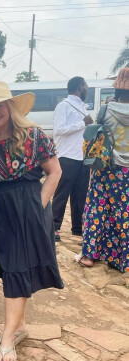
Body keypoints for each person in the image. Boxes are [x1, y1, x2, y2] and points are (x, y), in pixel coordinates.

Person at [0, 81, 63, 361]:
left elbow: (55, 172)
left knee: (18, 267)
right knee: (12, 268)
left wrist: (39, 208)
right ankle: (18, 326)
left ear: (10, 107)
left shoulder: (32, 135)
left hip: (28, 205)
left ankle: (7, 338)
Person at [77, 68, 129, 273]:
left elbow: (96, 133)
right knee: (123, 212)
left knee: (96, 208)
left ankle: (90, 255)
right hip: (126, 172)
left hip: (104, 167)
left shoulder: (106, 110)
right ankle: (121, 258)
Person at [52, 76, 93, 240]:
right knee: (62, 193)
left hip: (82, 156)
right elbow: (59, 130)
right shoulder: (63, 105)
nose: (87, 90)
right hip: (67, 156)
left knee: (80, 194)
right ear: (80, 87)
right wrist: (83, 124)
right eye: (86, 86)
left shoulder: (82, 107)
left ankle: (78, 227)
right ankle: (54, 227)